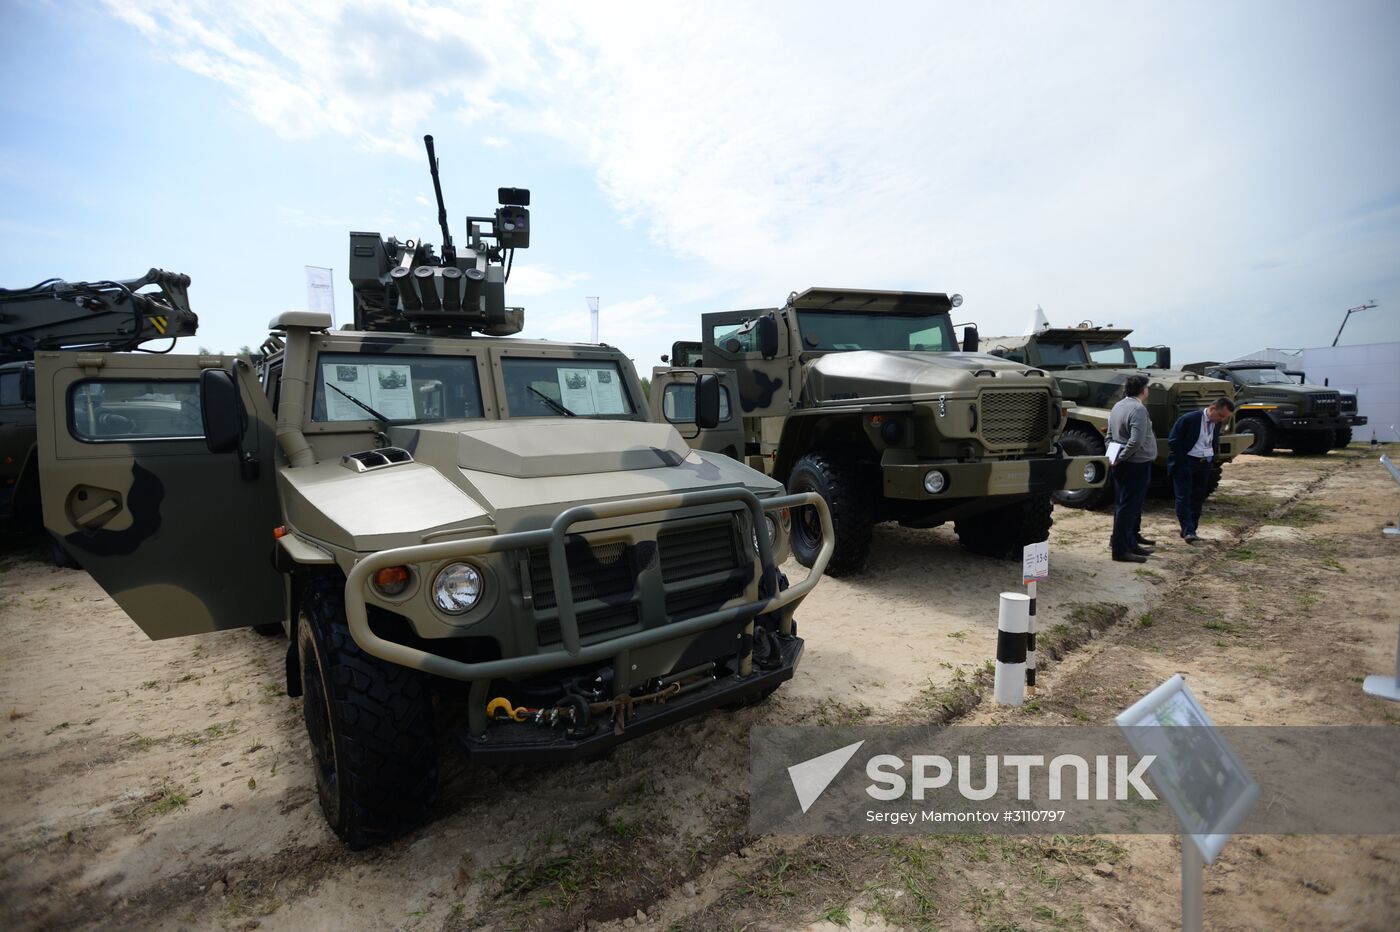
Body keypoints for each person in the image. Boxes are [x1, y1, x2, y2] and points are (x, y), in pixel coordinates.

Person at [1167, 397, 1237, 543]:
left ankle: (1191, 529)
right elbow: (1174, 441)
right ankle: (1188, 531)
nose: (1222, 420)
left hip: (1204, 463)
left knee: (1198, 497)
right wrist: (1181, 461)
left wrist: (1212, 458)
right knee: (1183, 497)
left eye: (1225, 418)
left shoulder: (1216, 423)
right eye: (1221, 416)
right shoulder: (1189, 419)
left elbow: (1213, 440)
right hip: (1187, 462)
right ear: (1212, 409)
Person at [1107, 375, 1156, 563]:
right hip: (1136, 463)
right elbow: (1136, 441)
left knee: (1124, 505)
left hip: (1121, 462)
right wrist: (1122, 456)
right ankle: (1120, 549)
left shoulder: (1118, 406)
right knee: (1128, 507)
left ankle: (1129, 542)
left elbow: (1110, 435)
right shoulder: (1138, 409)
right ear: (1143, 390)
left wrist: (1114, 455)